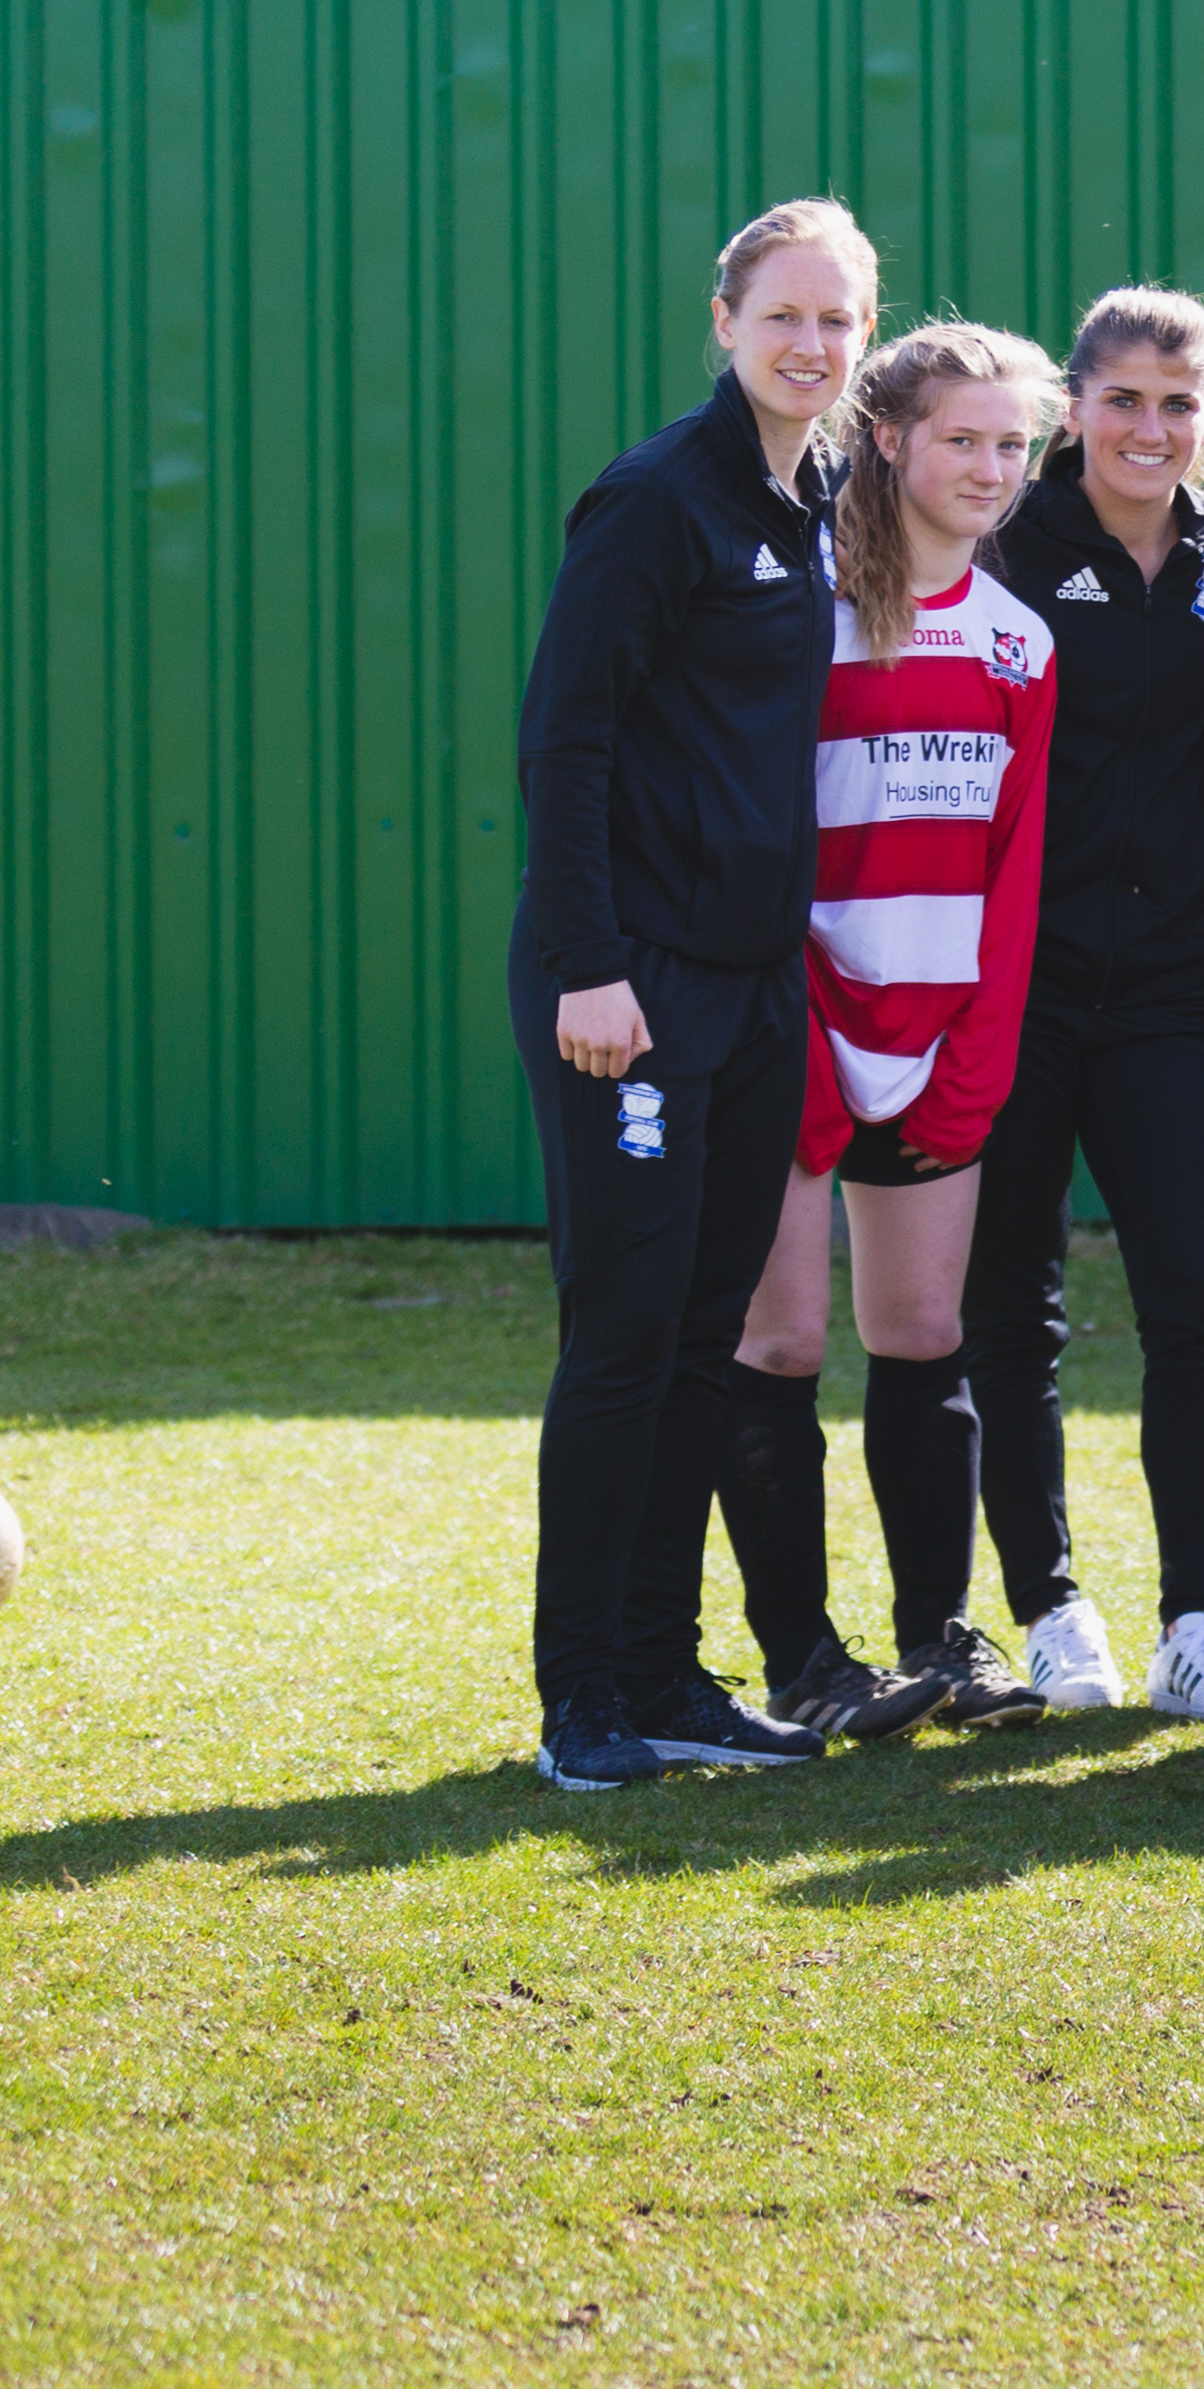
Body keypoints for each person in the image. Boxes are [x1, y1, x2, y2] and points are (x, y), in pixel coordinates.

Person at [511, 198, 877, 1791]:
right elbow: (566, 734)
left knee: (705, 1335)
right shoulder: (662, 498)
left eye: (838, 322)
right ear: (723, 319)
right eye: (784, 315)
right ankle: (581, 1695)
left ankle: (665, 1671)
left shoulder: (818, 497)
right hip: (628, 988)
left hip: (747, 986)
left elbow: (1013, 471)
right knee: (624, 1332)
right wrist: (591, 961)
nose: (811, 346)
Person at [961, 289, 1204, 1726]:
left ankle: (1195, 1619)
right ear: (1072, 410)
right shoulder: (999, 538)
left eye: (1180, 402)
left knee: (1192, 1305)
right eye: (1123, 400)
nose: (1151, 429)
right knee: (1009, 1309)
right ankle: (1048, 1608)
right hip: (1015, 989)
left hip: (1173, 997)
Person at [723, 325, 1068, 1742]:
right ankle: (803, 1656)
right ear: (888, 439)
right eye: (962, 439)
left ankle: (941, 1638)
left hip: (940, 1040)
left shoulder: (1018, 639)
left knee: (924, 1332)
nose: (989, 468)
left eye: (1011, 444)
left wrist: (977, 1055)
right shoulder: (799, 604)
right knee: (785, 1340)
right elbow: (751, 839)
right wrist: (787, 1027)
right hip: (791, 1023)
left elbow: (1013, 866)